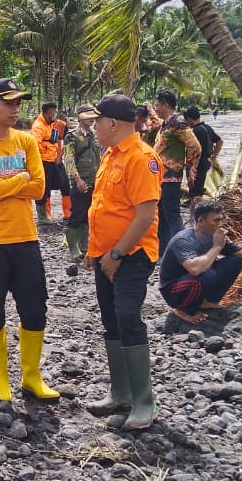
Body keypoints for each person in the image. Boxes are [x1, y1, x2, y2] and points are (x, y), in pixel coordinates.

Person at [0, 78, 61, 403]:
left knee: (34, 309)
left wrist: (6, 184)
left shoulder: (26, 141)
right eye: (9, 103)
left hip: (25, 239)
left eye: (19, 103)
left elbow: (40, 189)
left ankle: (31, 376)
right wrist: (19, 179)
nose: (15, 108)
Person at [83, 93, 161, 430]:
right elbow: (103, 207)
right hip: (105, 254)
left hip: (132, 254)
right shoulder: (110, 155)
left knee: (128, 316)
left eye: (96, 120)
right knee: (111, 319)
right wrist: (94, 250)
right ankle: (120, 392)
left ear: (112, 123)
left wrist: (116, 254)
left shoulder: (141, 158)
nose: (93, 126)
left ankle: (144, 401)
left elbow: (144, 216)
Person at [152, 90, 200, 250]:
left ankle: (182, 249)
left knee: (172, 214)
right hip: (160, 177)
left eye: (157, 105)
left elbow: (194, 145)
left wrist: (189, 167)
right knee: (161, 214)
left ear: (166, 105)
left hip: (170, 177)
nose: (156, 108)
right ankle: (164, 249)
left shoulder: (178, 123)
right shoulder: (166, 123)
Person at [62, 104, 102, 270]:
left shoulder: (93, 135)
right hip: (80, 181)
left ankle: (84, 247)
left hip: (94, 181)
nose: (90, 119)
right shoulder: (72, 136)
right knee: (77, 215)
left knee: (88, 215)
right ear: (79, 117)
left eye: (92, 116)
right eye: (86, 115)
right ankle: (73, 248)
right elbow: (69, 159)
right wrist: (76, 179)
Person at [31, 101, 66, 225]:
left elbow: (56, 141)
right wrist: (40, 159)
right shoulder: (39, 126)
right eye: (52, 112)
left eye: (55, 112)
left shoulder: (51, 124)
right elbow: (35, 144)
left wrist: (58, 156)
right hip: (43, 161)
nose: (54, 115)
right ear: (46, 112)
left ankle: (48, 215)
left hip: (52, 160)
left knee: (60, 183)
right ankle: (42, 217)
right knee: (43, 188)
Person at [183, 106, 222, 197]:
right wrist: (214, 157)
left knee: (195, 193)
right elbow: (220, 141)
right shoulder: (207, 128)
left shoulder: (194, 132)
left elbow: (192, 151)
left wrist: (190, 170)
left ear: (189, 118)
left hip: (197, 165)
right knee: (198, 190)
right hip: (206, 162)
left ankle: (195, 210)